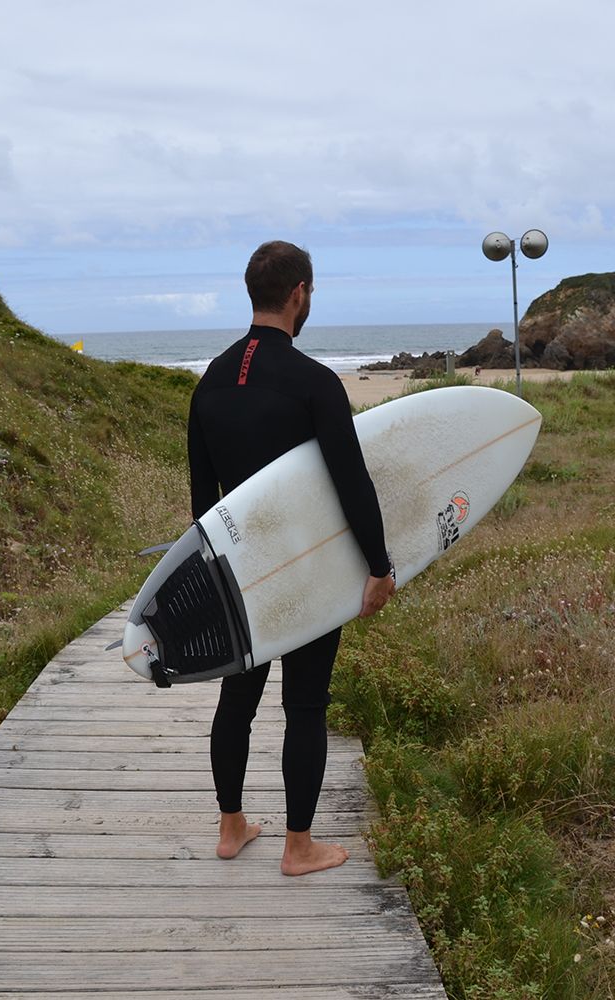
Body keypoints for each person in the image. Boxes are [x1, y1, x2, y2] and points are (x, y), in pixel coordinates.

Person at [186, 240, 396, 876]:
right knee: (305, 704)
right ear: (300, 292)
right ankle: (298, 847)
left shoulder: (210, 384)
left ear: (253, 291)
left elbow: (202, 503)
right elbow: (351, 482)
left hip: (240, 572)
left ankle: (231, 828)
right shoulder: (314, 382)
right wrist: (380, 566)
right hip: (307, 571)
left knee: (237, 698)